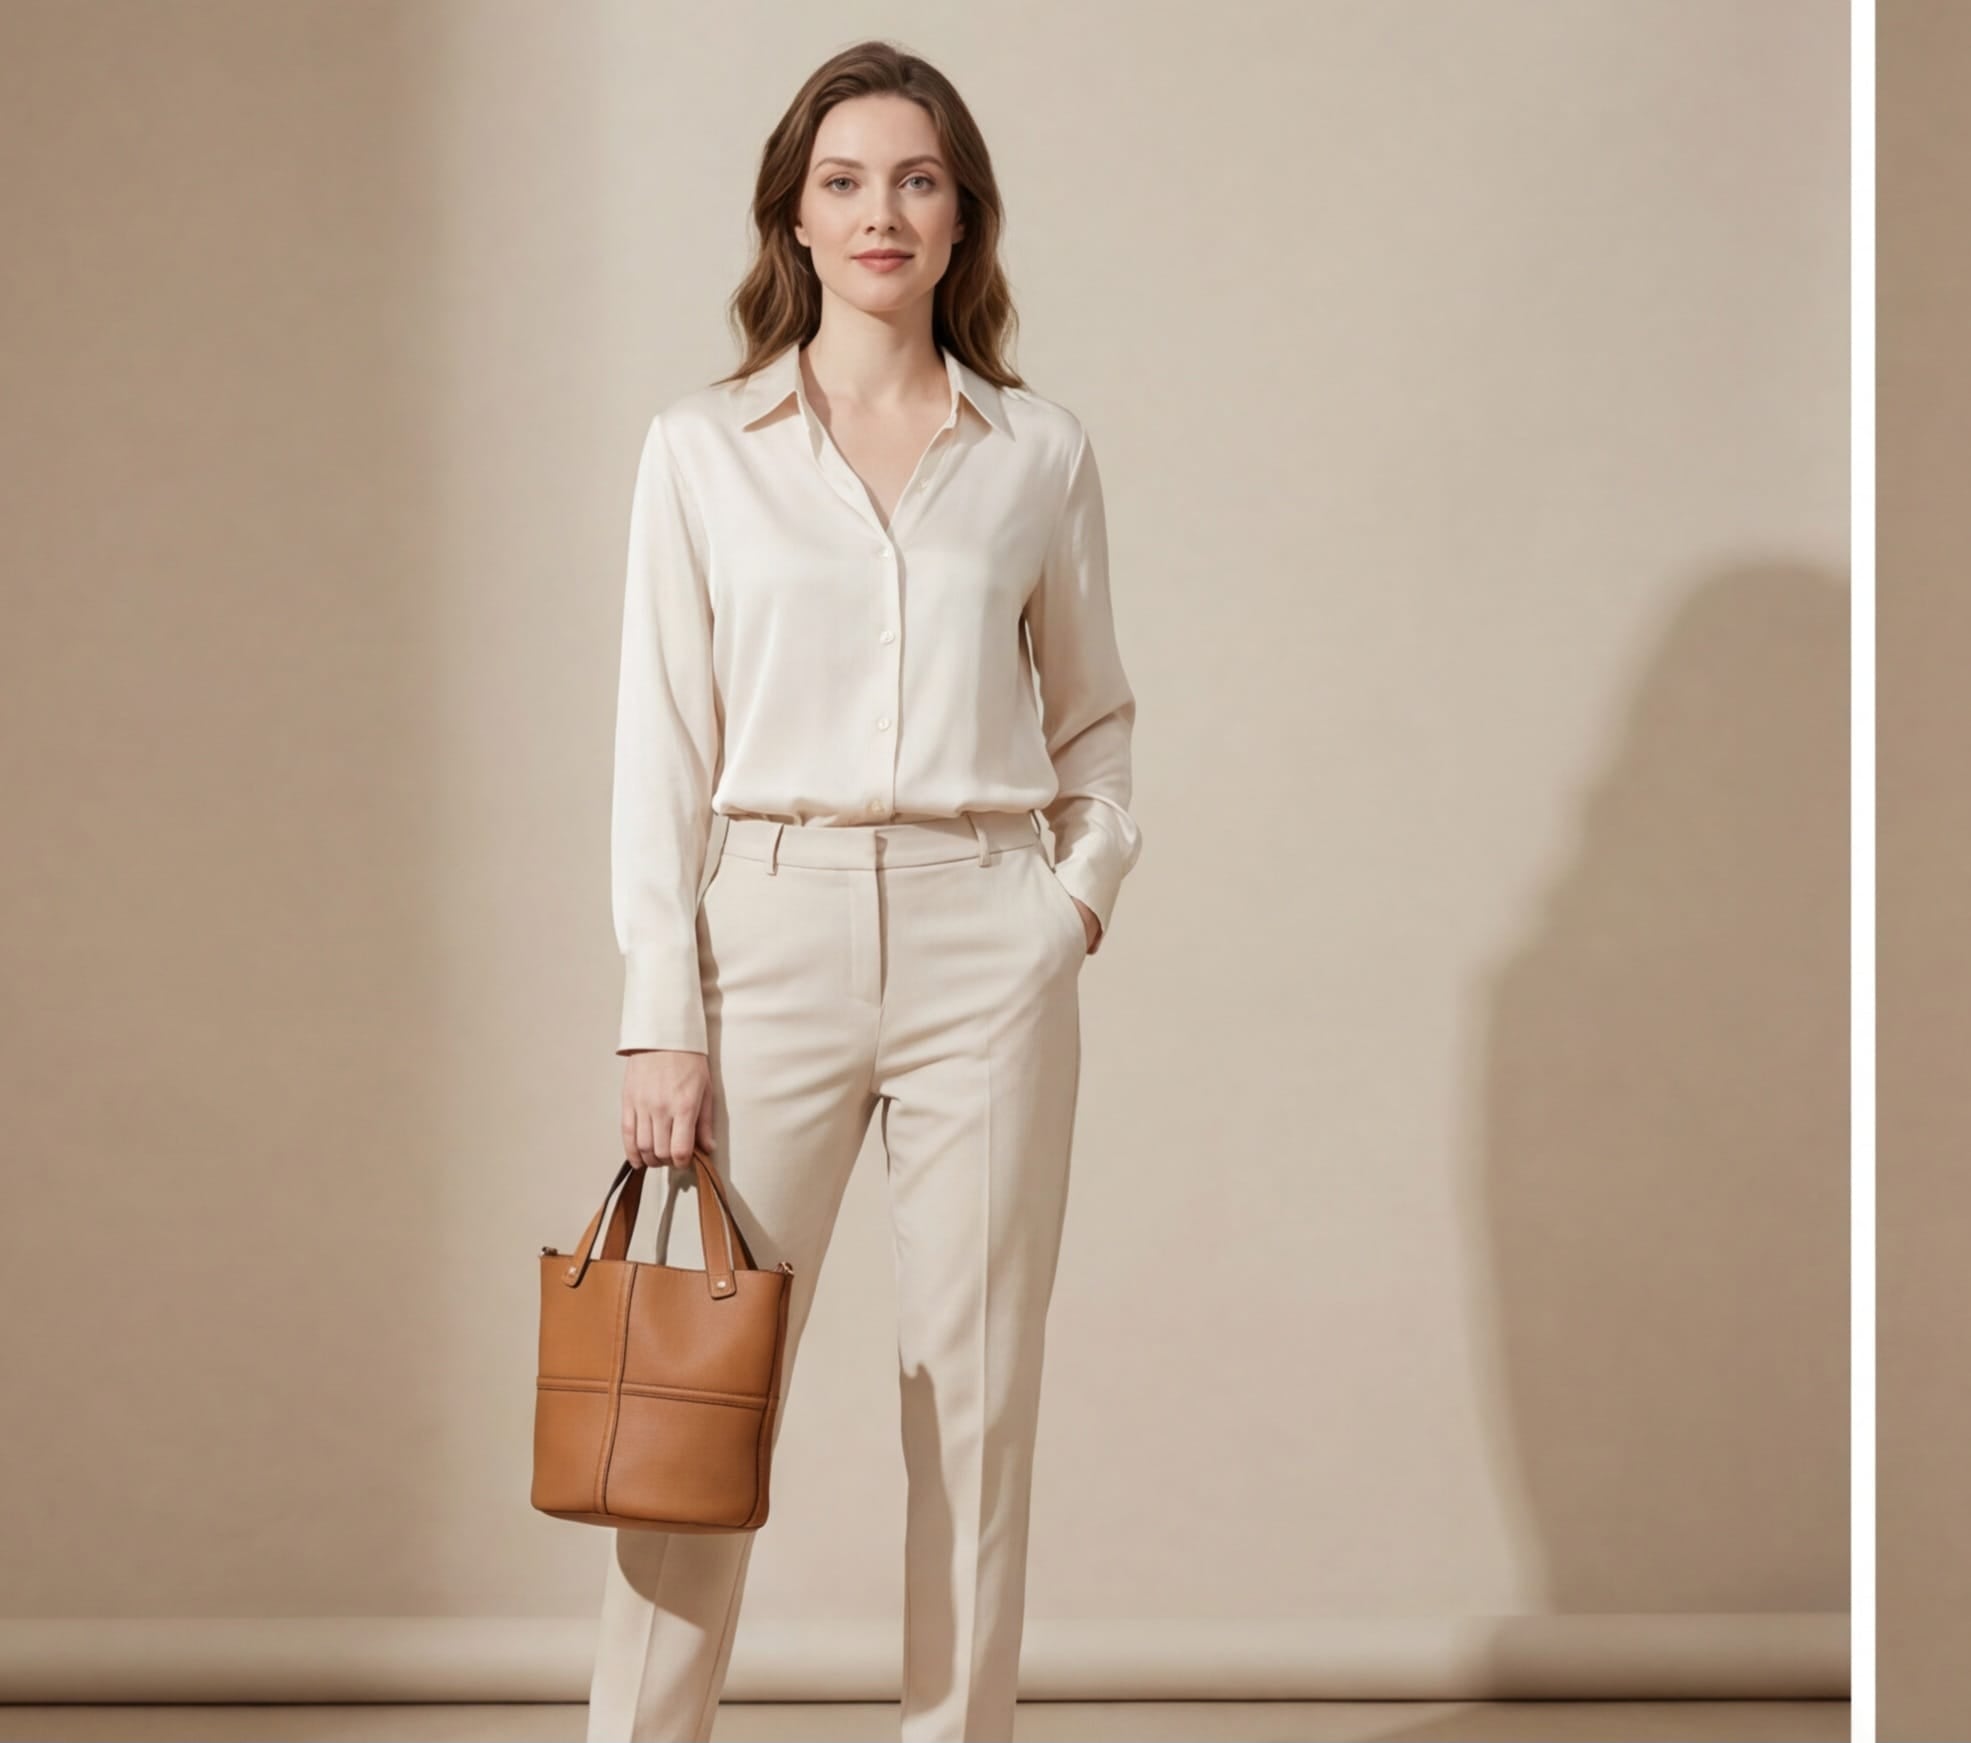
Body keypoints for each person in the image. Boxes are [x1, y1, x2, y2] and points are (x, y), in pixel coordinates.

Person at [587, 38, 1142, 1743]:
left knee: (975, 1405)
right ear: (797, 217)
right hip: (768, 926)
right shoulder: (702, 449)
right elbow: (658, 752)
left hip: (990, 933)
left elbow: (1098, 724)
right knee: (698, 1392)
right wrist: (658, 1020)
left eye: (916, 179)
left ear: (962, 216)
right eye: (844, 181)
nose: (879, 211)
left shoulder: (1036, 452)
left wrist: (1066, 914)